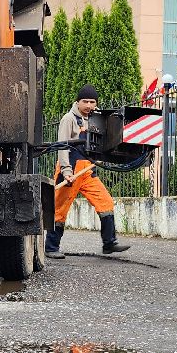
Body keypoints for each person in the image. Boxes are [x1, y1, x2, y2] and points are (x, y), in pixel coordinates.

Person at [44, 84, 129, 258]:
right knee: (59, 210)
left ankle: (109, 243)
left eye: (92, 102)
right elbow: (62, 146)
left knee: (106, 203)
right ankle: (51, 248)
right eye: (85, 101)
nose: (89, 105)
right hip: (71, 170)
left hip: (88, 171)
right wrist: (66, 171)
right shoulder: (68, 119)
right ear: (78, 102)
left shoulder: (96, 119)